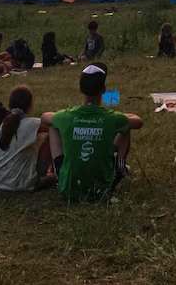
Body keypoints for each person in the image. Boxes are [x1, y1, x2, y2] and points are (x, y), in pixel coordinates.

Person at [49, 63, 144, 202]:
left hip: (69, 189)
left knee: (52, 125)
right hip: (101, 189)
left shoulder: (66, 116)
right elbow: (138, 121)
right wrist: (117, 115)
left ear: (80, 89)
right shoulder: (111, 118)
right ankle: (120, 166)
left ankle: (59, 169)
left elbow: (46, 117)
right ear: (104, 89)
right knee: (125, 127)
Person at [0, 85, 56, 192]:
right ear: (30, 104)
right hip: (22, 185)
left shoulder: (2, 128)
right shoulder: (31, 124)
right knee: (51, 133)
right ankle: (46, 173)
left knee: (40, 137)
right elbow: (55, 122)